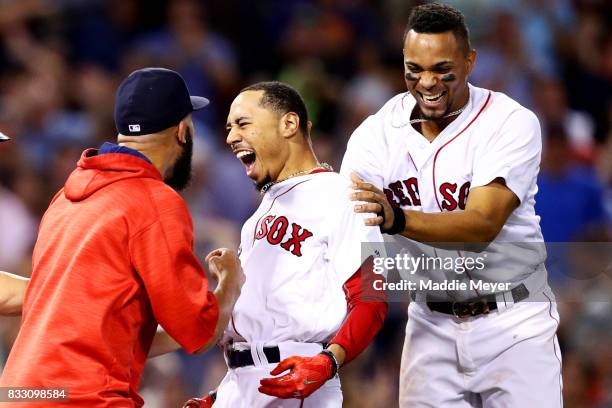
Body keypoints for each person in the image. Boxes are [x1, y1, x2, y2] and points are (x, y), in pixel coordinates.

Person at [342, 3, 562, 407]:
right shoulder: (375, 134)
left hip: (513, 322)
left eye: (442, 68)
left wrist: (397, 218)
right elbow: (349, 232)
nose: (427, 82)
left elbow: (482, 225)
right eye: (415, 68)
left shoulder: (509, 122)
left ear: (469, 61)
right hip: (430, 324)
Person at [0, 67, 244, 407]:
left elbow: (108, 333)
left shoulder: (67, 197)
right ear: (182, 131)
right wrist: (230, 284)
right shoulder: (154, 201)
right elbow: (199, 333)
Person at [183, 81, 387, 408]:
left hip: (295, 377)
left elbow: (372, 299)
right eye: (228, 127)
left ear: (289, 124)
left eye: (243, 123)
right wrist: (221, 396)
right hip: (241, 382)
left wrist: (328, 362)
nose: (231, 137)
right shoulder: (260, 213)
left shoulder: (342, 194)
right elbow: (257, 325)